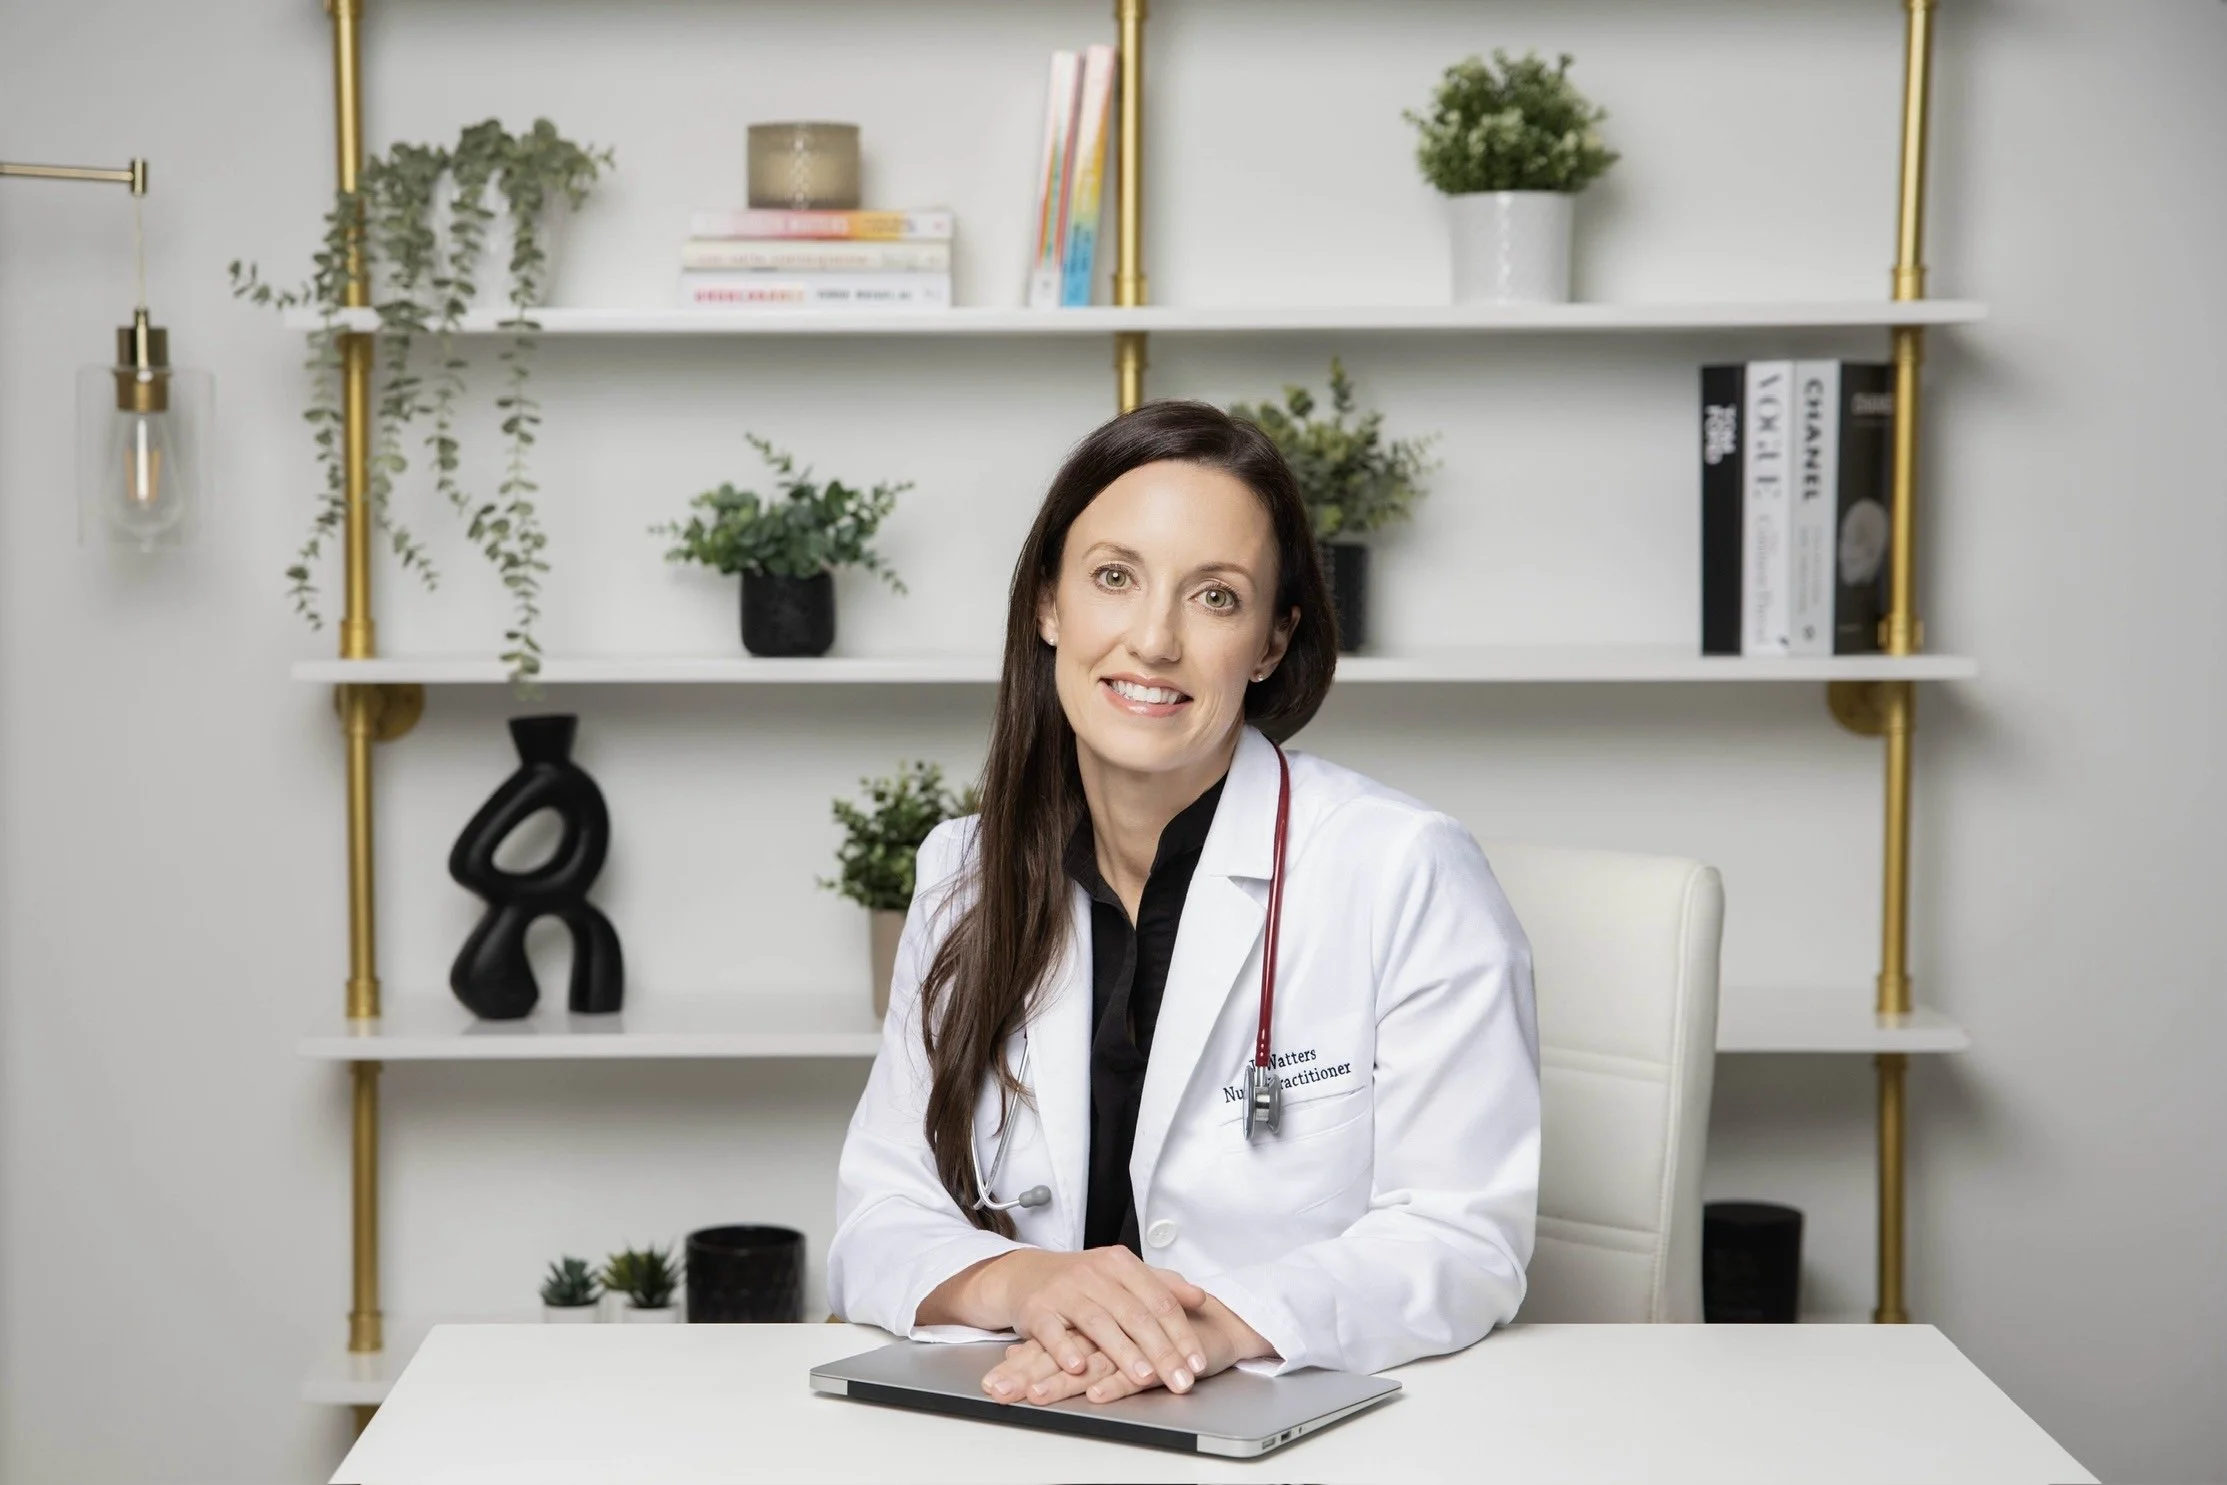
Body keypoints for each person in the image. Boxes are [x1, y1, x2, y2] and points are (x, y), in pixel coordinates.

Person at [826, 400, 1539, 1409]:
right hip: (1025, 1408)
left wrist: (1190, 1329)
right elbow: (877, 1215)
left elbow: (1461, 1239)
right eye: (1114, 579)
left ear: (1270, 641)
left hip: (1297, 1428)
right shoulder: (962, 871)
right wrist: (1033, 1284)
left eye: (1214, 596)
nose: (1152, 639)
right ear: (1048, 607)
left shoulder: (1404, 871)